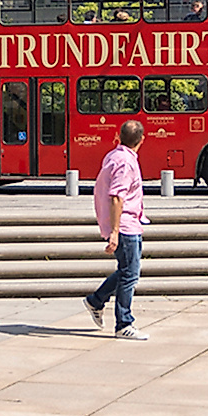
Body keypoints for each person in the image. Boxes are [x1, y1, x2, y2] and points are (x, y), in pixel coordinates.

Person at [85, 120, 149, 340]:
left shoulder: (114, 155)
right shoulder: (125, 163)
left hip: (128, 222)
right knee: (130, 274)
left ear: (118, 135)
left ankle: (96, 300)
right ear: (142, 139)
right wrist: (114, 232)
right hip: (125, 225)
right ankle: (124, 323)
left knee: (126, 270)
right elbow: (116, 197)